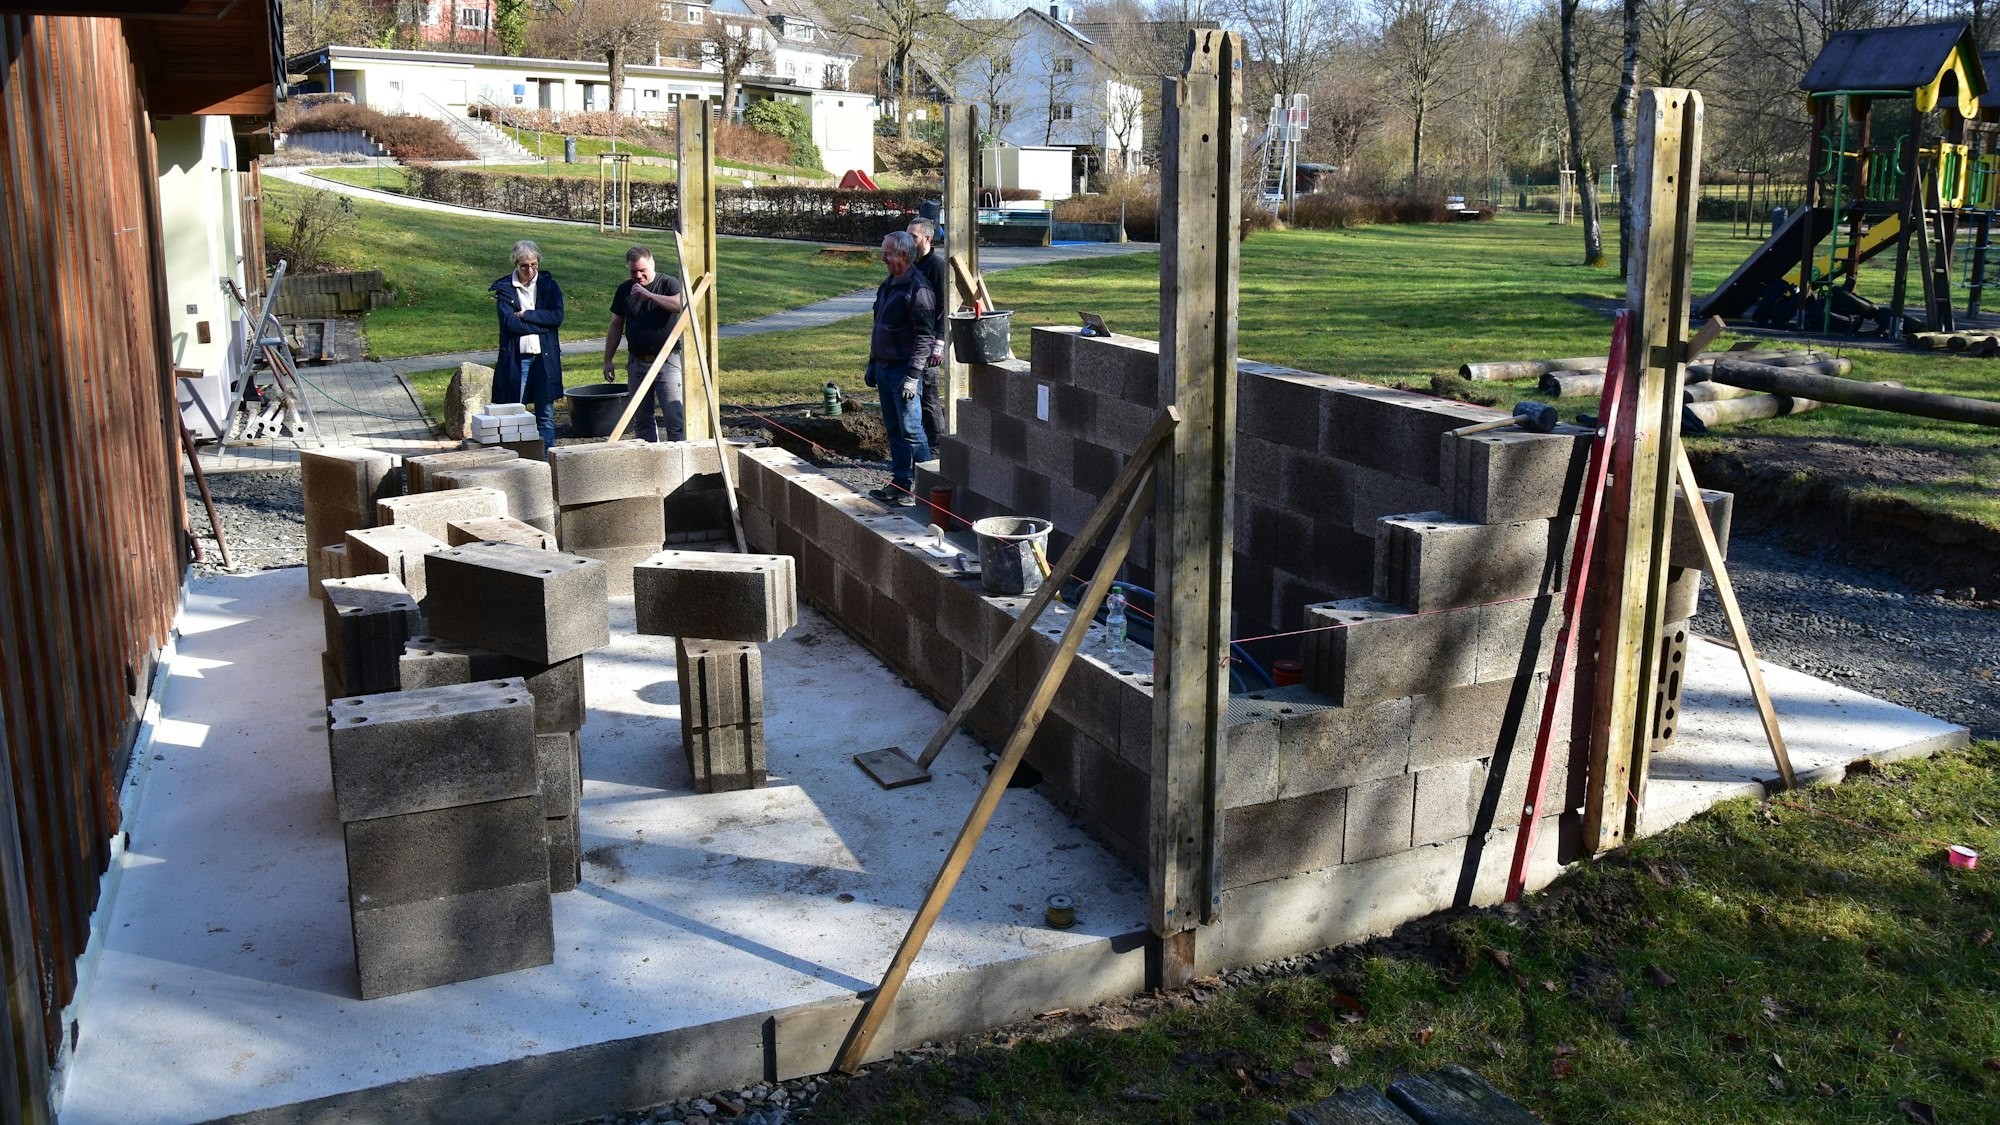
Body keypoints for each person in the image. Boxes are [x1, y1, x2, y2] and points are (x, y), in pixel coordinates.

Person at [865, 230, 936, 507]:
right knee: (894, 429)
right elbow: (878, 328)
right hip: (884, 369)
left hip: (903, 372)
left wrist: (913, 376)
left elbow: (924, 336)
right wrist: (872, 362)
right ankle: (900, 484)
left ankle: (930, 490)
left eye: (887, 254)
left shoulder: (919, 289)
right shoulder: (889, 284)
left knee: (911, 429)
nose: (883, 258)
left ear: (904, 255)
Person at [603, 245, 687, 442]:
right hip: (638, 362)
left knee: (675, 418)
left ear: (652, 264)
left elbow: (680, 305)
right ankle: (650, 462)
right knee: (641, 418)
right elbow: (616, 326)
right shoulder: (625, 290)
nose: (638, 276)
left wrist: (649, 295)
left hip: (667, 361)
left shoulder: (667, 283)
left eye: (643, 270)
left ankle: (678, 462)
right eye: (634, 271)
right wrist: (608, 360)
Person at [490, 239, 564, 447]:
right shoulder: (505, 289)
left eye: (534, 265)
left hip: (544, 357)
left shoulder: (548, 285)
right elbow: (509, 325)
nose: (530, 270)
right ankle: (518, 461)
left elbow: (557, 317)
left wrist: (526, 314)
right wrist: (542, 324)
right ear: (516, 264)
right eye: (524, 266)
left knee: (545, 415)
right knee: (515, 413)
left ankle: (548, 459)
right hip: (517, 358)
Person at [906, 217, 949, 449]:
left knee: (929, 396)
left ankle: (937, 447)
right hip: (909, 338)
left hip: (929, 340)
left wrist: (939, 341)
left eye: (913, 236)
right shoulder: (910, 264)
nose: (908, 241)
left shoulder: (937, 267)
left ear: (927, 238)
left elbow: (945, 305)